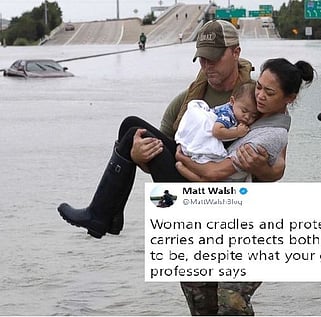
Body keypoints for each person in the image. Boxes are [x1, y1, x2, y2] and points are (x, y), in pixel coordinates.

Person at [57, 19, 285, 315]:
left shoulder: (258, 98)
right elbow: (158, 160)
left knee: (231, 306)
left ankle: (104, 217)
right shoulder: (188, 99)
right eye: (201, 58)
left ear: (236, 52)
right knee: (202, 307)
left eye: (214, 58)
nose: (207, 65)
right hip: (188, 211)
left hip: (234, 213)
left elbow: (278, 166)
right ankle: (105, 216)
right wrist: (139, 156)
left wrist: (257, 168)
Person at [175, 57, 315, 315]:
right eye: (259, 86)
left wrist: (182, 159)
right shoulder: (248, 102)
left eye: (269, 92)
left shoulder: (273, 129)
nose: (259, 96)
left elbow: (217, 173)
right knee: (201, 299)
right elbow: (278, 167)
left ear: (289, 98)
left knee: (232, 302)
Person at [175, 81, 259, 171]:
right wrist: (237, 132)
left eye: (253, 115)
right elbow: (217, 131)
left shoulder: (237, 113)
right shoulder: (228, 114)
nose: (247, 117)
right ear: (232, 101)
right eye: (244, 111)